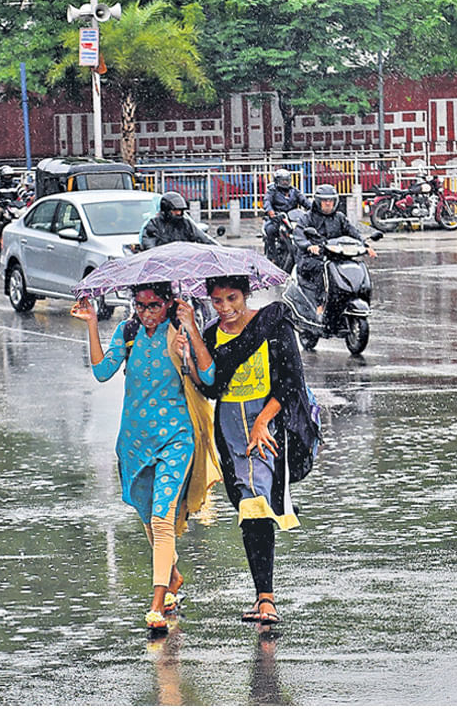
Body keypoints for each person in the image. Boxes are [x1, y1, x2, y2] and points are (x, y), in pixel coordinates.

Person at [71, 282, 219, 633]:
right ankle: (174, 576)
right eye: (139, 305)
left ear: (169, 303)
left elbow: (209, 378)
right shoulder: (128, 331)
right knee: (149, 518)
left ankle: (157, 602)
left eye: (154, 305)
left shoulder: (179, 331)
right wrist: (92, 322)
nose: (146, 312)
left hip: (176, 439)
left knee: (162, 517)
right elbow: (102, 371)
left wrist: (190, 344)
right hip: (135, 442)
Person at [174, 275, 319, 627]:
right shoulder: (210, 334)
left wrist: (261, 422)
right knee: (248, 507)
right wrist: (188, 349)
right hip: (229, 432)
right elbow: (210, 386)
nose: (226, 308)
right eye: (218, 301)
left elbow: (289, 381)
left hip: (267, 426)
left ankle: (266, 599)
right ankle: (262, 596)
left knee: (255, 505)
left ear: (246, 294)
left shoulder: (273, 324)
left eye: (232, 298)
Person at [292, 183, 375, 310]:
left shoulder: (339, 217)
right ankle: (320, 303)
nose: (328, 203)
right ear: (318, 201)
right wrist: (309, 246)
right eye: (324, 201)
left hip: (336, 255)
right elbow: (299, 234)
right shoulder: (308, 217)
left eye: (331, 200)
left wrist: (365, 245)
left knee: (355, 266)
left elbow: (352, 231)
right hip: (313, 256)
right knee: (321, 268)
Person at [261, 169, 310, 267]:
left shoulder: (294, 191)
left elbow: (305, 201)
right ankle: (273, 256)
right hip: (277, 218)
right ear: (277, 181)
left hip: (292, 219)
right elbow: (267, 202)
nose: (285, 182)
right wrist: (271, 212)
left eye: (287, 180)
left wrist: (314, 208)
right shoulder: (272, 191)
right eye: (283, 180)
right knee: (270, 230)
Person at [140, 192, 216, 250]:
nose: (178, 213)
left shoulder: (186, 224)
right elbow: (149, 244)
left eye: (180, 210)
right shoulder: (154, 224)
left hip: (184, 261)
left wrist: (217, 249)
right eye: (175, 211)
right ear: (166, 210)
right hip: (163, 263)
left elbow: (201, 237)